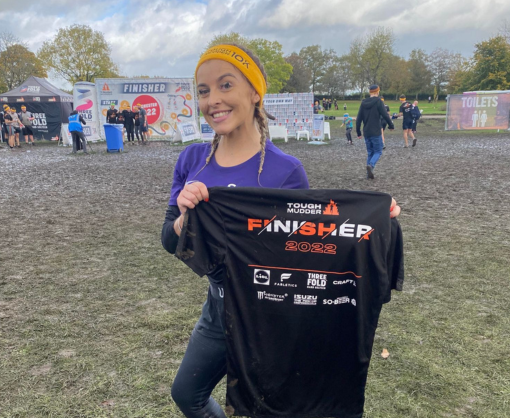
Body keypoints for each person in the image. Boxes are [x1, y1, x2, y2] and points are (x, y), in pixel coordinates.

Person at [162, 44, 401, 418]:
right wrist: (183, 220)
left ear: (255, 93)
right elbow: (168, 239)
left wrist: (372, 221)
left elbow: (309, 242)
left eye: (226, 85)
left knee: (268, 405)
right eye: (204, 90)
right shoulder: (192, 160)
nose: (213, 100)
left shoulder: (285, 171)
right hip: (219, 307)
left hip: (270, 312)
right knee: (186, 393)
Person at [356, 85, 394, 180]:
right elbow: (385, 115)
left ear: (370, 92)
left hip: (366, 132)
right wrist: (391, 125)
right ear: (377, 92)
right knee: (378, 151)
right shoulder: (378, 102)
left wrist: (358, 132)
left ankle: (368, 173)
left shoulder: (363, 103)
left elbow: (359, 118)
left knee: (370, 152)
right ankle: (371, 166)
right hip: (376, 130)